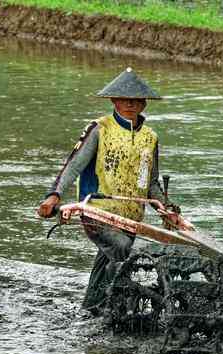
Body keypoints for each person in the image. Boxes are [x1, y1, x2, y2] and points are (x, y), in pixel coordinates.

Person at [37, 67, 167, 313]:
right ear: (114, 101)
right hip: (98, 212)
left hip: (131, 217)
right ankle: (120, 306)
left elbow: (150, 183)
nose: (129, 103)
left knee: (107, 260)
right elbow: (74, 164)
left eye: (135, 100)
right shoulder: (100, 129)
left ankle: (92, 308)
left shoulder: (150, 137)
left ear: (143, 104)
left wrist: (167, 209)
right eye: (123, 99)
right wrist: (53, 195)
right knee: (121, 248)